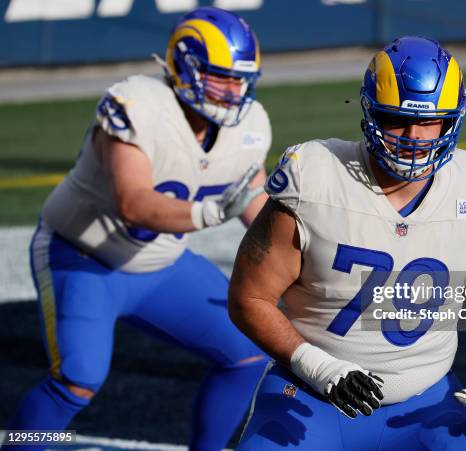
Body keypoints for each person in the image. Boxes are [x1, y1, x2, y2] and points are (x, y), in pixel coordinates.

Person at [228, 36, 466, 450]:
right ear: (369, 112)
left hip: (427, 403)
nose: (413, 137)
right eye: (396, 119)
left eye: (428, 121)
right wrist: (319, 366)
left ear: (452, 120)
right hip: (312, 398)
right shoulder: (315, 178)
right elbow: (250, 298)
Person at [3, 7, 270, 451]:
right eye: (222, 77)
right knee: (77, 378)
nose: (234, 91)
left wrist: (311, 257)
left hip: (160, 264)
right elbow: (133, 203)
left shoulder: (250, 126)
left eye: (242, 79)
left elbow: (256, 208)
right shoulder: (137, 104)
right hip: (82, 257)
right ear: (186, 68)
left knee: (248, 354)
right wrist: (209, 212)